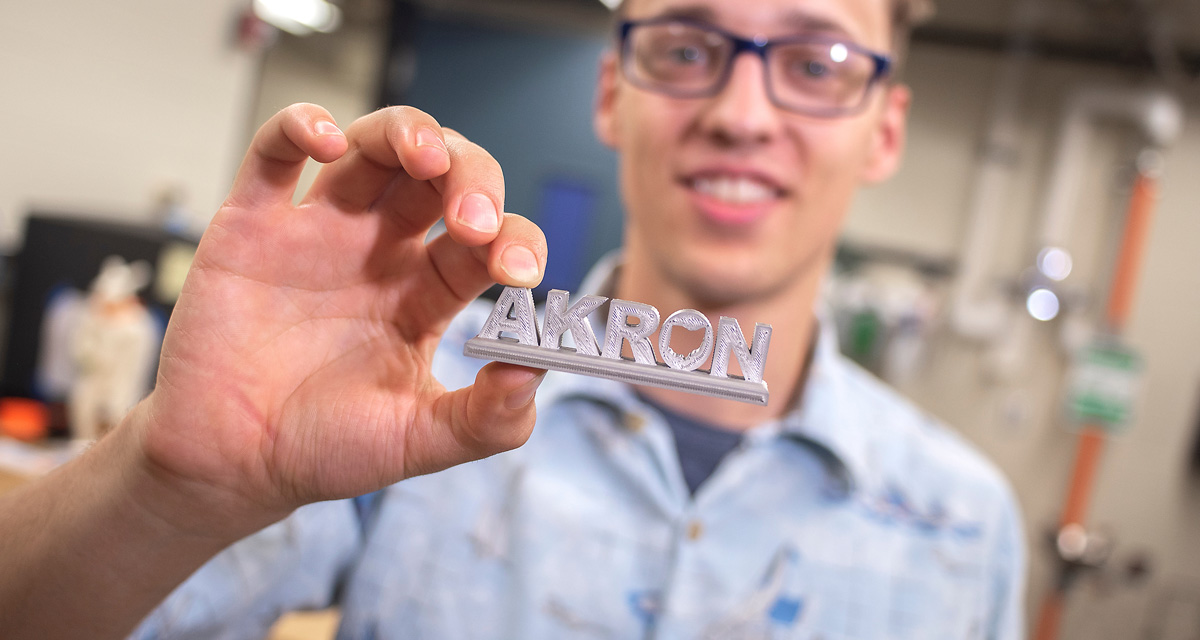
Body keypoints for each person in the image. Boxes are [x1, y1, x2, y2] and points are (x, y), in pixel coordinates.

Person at [0, 0, 1026, 637]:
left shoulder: (963, 526)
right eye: (685, 47)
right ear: (612, 91)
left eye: (817, 64)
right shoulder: (403, 385)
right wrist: (166, 489)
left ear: (885, 129)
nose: (743, 113)